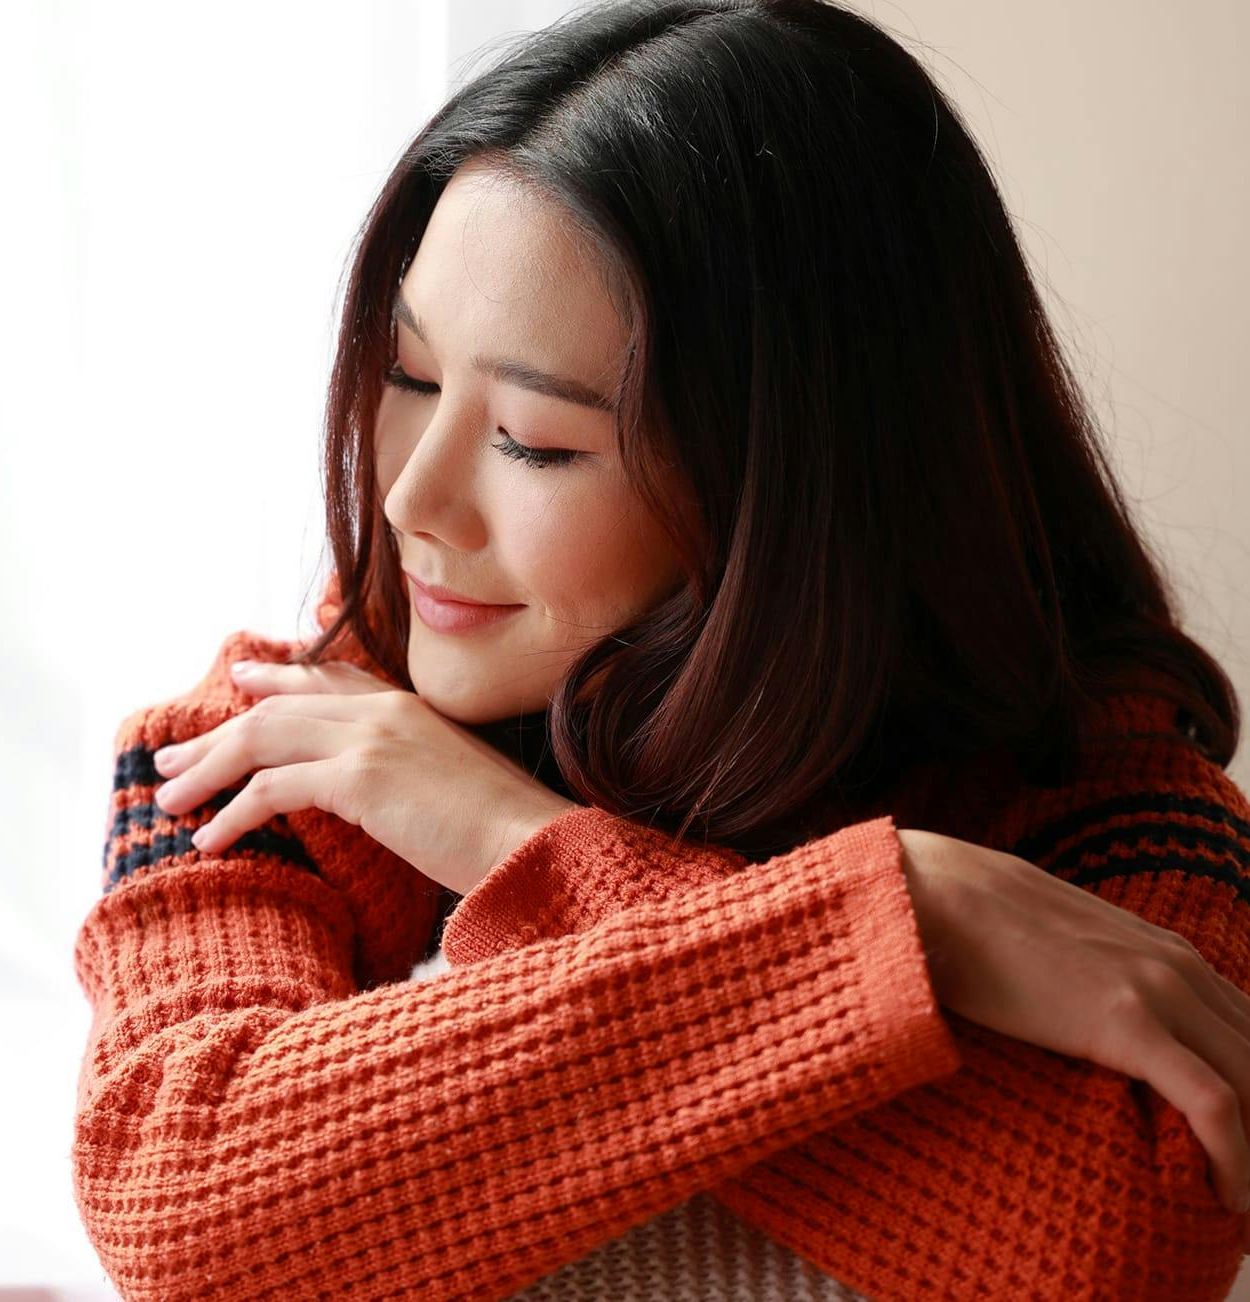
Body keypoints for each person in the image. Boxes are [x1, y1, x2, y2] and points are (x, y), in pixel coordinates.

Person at [70, 0, 1250, 1296]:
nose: (414, 498)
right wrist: (896, 923)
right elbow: (187, 1206)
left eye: (535, 437)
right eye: (408, 375)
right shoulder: (271, 741)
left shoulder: (1102, 788)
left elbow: (1120, 1237)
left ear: (798, 487)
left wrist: (514, 845)